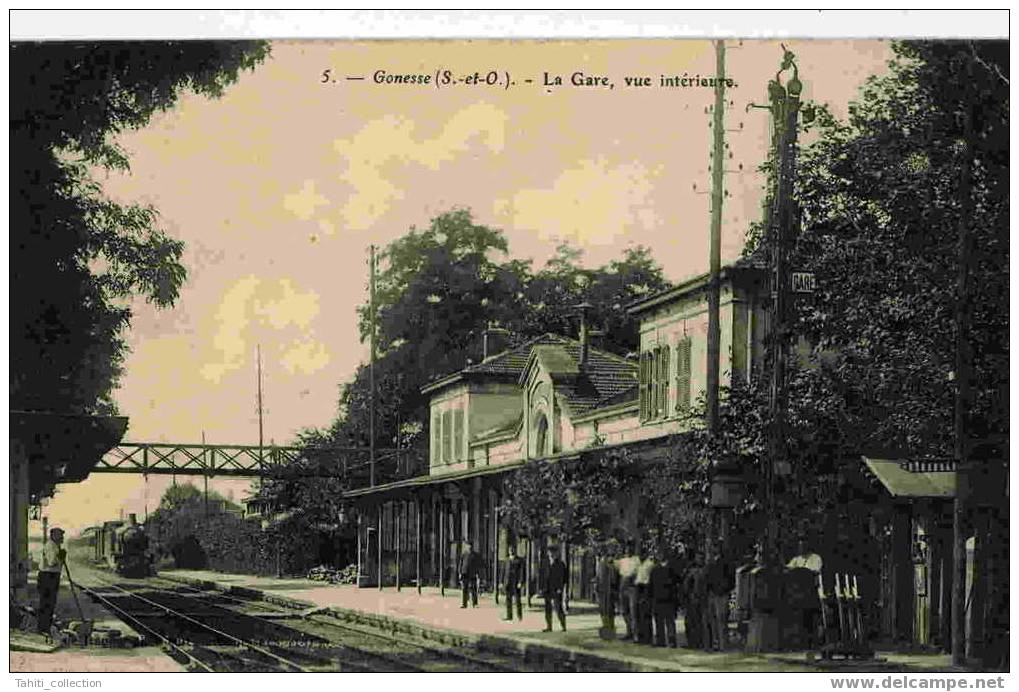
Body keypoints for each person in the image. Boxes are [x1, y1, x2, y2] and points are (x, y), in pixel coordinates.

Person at [37, 527, 66, 636]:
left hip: (52, 576)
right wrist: (60, 556)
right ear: (54, 535)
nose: (62, 537)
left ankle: (45, 627)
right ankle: (43, 628)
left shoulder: (55, 546)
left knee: (50, 603)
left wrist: (61, 557)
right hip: (48, 577)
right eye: (60, 535)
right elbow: (52, 562)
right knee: (47, 604)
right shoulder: (51, 546)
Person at [705, 552, 735, 651]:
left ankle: (722, 643)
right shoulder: (711, 564)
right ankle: (718, 643)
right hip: (714, 594)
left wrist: (725, 589)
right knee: (715, 620)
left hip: (721, 594)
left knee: (720, 620)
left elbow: (731, 580)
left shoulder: (724, 563)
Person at [650, 554, 680, 647]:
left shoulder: (669, 570)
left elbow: (675, 585)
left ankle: (669, 640)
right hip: (660, 598)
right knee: (661, 621)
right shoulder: (655, 570)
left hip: (667, 599)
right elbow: (651, 585)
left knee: (668, 621)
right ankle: (663, 640)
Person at [681, 551, 706, 649]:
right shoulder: (690, 570)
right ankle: (692, 642)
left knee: (696, 622)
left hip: (697, 599)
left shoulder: (701, 571)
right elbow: (685, 585)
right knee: (689, 622)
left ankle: (697, 642)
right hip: (690, 599)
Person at [617, 543, 640, 641]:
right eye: (626, 549)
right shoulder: (622, 561)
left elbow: (637, 574)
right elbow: (620, 575)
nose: (627, 551)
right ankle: (628, 631)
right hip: (623, 587)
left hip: (632, 588)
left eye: (629, 549)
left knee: (633, 612)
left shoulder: (636, 560)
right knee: (624, 611)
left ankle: (636, 634)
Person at [594, 552, 620, 639]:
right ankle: (607, 627)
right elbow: (598, 578)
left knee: (609, 611)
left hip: (608, 592)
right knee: (604, 611)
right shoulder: (601, 565)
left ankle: (609, 628)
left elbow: (614, 580)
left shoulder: (611, 566)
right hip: (603, 592)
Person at [542, 546, 567, 632]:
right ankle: (549, 626)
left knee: (558, 607)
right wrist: (542, 588)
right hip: (547, 588)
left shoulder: (560, 564)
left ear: (556, 554)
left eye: (553, 553)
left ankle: (563, 625)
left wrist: (560, 588)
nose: (552, 555)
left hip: (556, 589)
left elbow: (563, 578)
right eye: (550, 553)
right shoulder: (545, 563)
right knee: (547, 608)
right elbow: (542, 576)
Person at [634, 546, 655, 644]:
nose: (640, 556)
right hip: (638, 588)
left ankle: (647, 637)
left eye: (642, 554)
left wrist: (646, 594)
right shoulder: (639, 565)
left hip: (646, 588)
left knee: (646, 615)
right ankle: (640, 636)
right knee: (639, 615)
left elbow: (651, 579)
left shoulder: (649, 564)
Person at [503, 544, 525, 621]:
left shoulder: (519, 560)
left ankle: (519, 616)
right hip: (508, 582)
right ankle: (509, 616)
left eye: (512, 550)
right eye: (510, 550)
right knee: (508, 600)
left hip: (516, 582)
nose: (511, 551)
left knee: (517, 600)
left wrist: (520, 581)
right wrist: (501, 582)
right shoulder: (507, 560)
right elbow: (503, 572)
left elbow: (522, 572)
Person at [459, 542, 480, 608]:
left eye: (470, 546)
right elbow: (461, 564)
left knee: (473, 589)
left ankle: (475, 603)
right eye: (468, 546)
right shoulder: (464, 554)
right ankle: (464, 604)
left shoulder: (475, 555)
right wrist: (460, 572)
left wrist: (477, 574)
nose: (469, 547)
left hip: (472, 574)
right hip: (464, 573)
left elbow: (477, 566)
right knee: (464, 589)